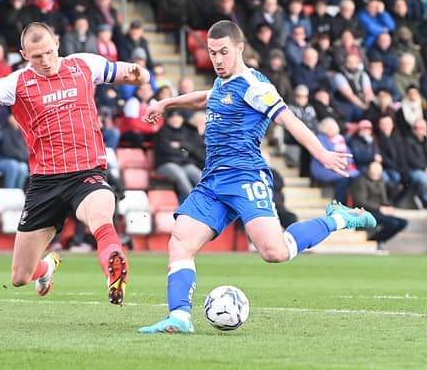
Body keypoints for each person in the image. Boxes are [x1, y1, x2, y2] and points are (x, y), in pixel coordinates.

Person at [138, 20, 376, 334]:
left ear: (239, 47)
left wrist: (322, 153)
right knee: (180, 242)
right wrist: (168, 103)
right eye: (212, 53)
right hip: (213, 180)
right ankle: (180, 318)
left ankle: (339, 219)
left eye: (224, 52)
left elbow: (289, 120)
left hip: (245, 176)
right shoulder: (224, 82)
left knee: (274, 252)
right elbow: (207, 97)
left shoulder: (256, 86)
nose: (218, 60)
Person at [0, 22, 150, 305]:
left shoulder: (84, 65)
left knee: (102, 217)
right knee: (20, 276)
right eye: (36, 57)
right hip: (45, 183)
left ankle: (113, 271)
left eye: (48, 52)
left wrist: (141, 74)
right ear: (24, 55)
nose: (45, 61)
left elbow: (136, 76)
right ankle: (47, 268)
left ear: (57, 42)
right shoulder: (16, 83)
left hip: (86, 173)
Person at [350, 161, 407, 251]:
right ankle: (374, 241)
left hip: (379, 211)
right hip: (366, 212)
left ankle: (378, 240)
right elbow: (360, 201)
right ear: (369, 171)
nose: (376, 175)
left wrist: (388, 207)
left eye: (378, 174)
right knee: (392, 223)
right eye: (374, 173)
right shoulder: (360, 181)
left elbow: (383, 199)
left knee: (402, 222)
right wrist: (380, 208)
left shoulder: (381, 181)